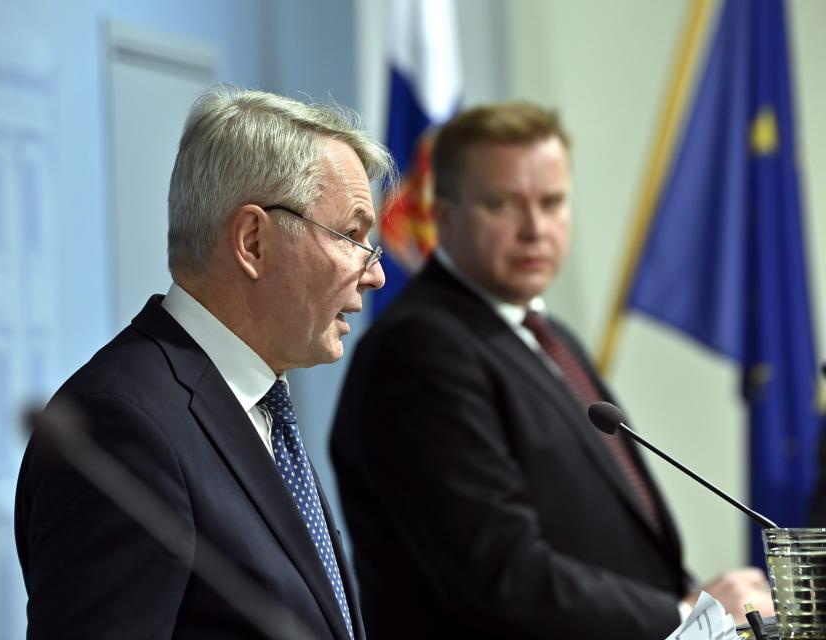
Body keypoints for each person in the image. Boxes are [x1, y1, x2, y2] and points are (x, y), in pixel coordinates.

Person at [330, 101, 773, 639]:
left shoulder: (548, 335)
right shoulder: (420, 349)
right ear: (442, 214)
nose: (534, 228)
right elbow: (499, 575)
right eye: (503, 204)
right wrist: (687, 615)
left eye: (552, 201)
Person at [15, 85, 394, 639]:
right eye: (352, 235)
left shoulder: (258, 404)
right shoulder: (122, 427)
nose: (375, 272)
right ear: (253, 241)